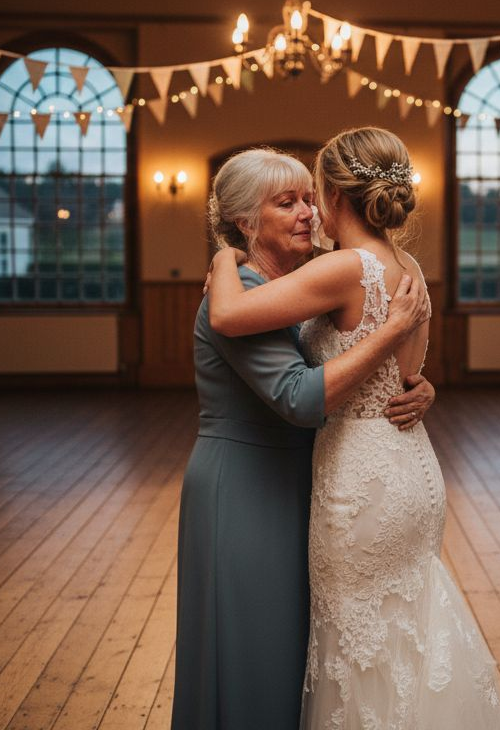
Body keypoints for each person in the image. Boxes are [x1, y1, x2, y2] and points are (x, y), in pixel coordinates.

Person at [208, 128, 500, 728]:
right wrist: (424, 388)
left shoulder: (347, 268)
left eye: (312, 193)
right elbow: (407, 378)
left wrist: (225, 253)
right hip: (412, 468)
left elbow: (227, 313)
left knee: (356, 636)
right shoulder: (408, 267)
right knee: (411, 626)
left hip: (360, 481)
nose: (307, 209)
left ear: (332, 195)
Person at [173, 148, 437, 730]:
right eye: (285, 202)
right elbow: (298, 398)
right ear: (245, 222)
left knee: (303, 653)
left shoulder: (297, 281)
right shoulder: (238, 288)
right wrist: (392, 331)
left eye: (309, 198)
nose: (307, 213)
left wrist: (419, 386)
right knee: (251, 656)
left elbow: (354, 347)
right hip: (243, 487)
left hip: (305, 482)